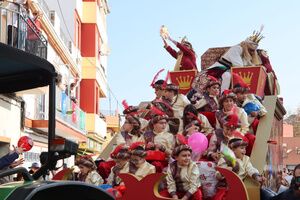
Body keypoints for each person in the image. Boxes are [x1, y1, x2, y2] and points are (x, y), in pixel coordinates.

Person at [208, 27, 263, 92]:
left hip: (230, 70)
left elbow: (250, 66)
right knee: (227, 76)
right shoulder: (236, 49)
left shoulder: (245, 55)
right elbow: (239, 66)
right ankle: (223, 95)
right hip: (219, 69)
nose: (252, 52)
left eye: (253, 51)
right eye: (250, 50)